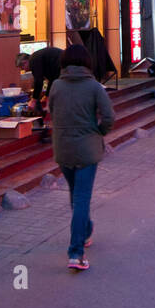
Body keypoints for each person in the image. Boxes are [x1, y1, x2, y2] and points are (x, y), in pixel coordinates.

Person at [49, 45, 115, 271]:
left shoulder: (56, 86)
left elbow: (52, 112)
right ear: (87, 62)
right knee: (81, 198)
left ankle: (85, 231)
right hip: (87, 149)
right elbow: (109, 117)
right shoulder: (94, 86)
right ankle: (76, 253)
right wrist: (99, 132)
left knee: (75, 194)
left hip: (63, 148)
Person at [17, 46, 64, 112]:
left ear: (25, 62)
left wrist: (33, 100)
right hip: (64, 64)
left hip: (64, 66)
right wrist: (46, 96)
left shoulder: (33, 61)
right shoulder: (38, 59)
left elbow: (38, 82)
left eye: (22, 68)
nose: (24, 70)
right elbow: (52, 79)